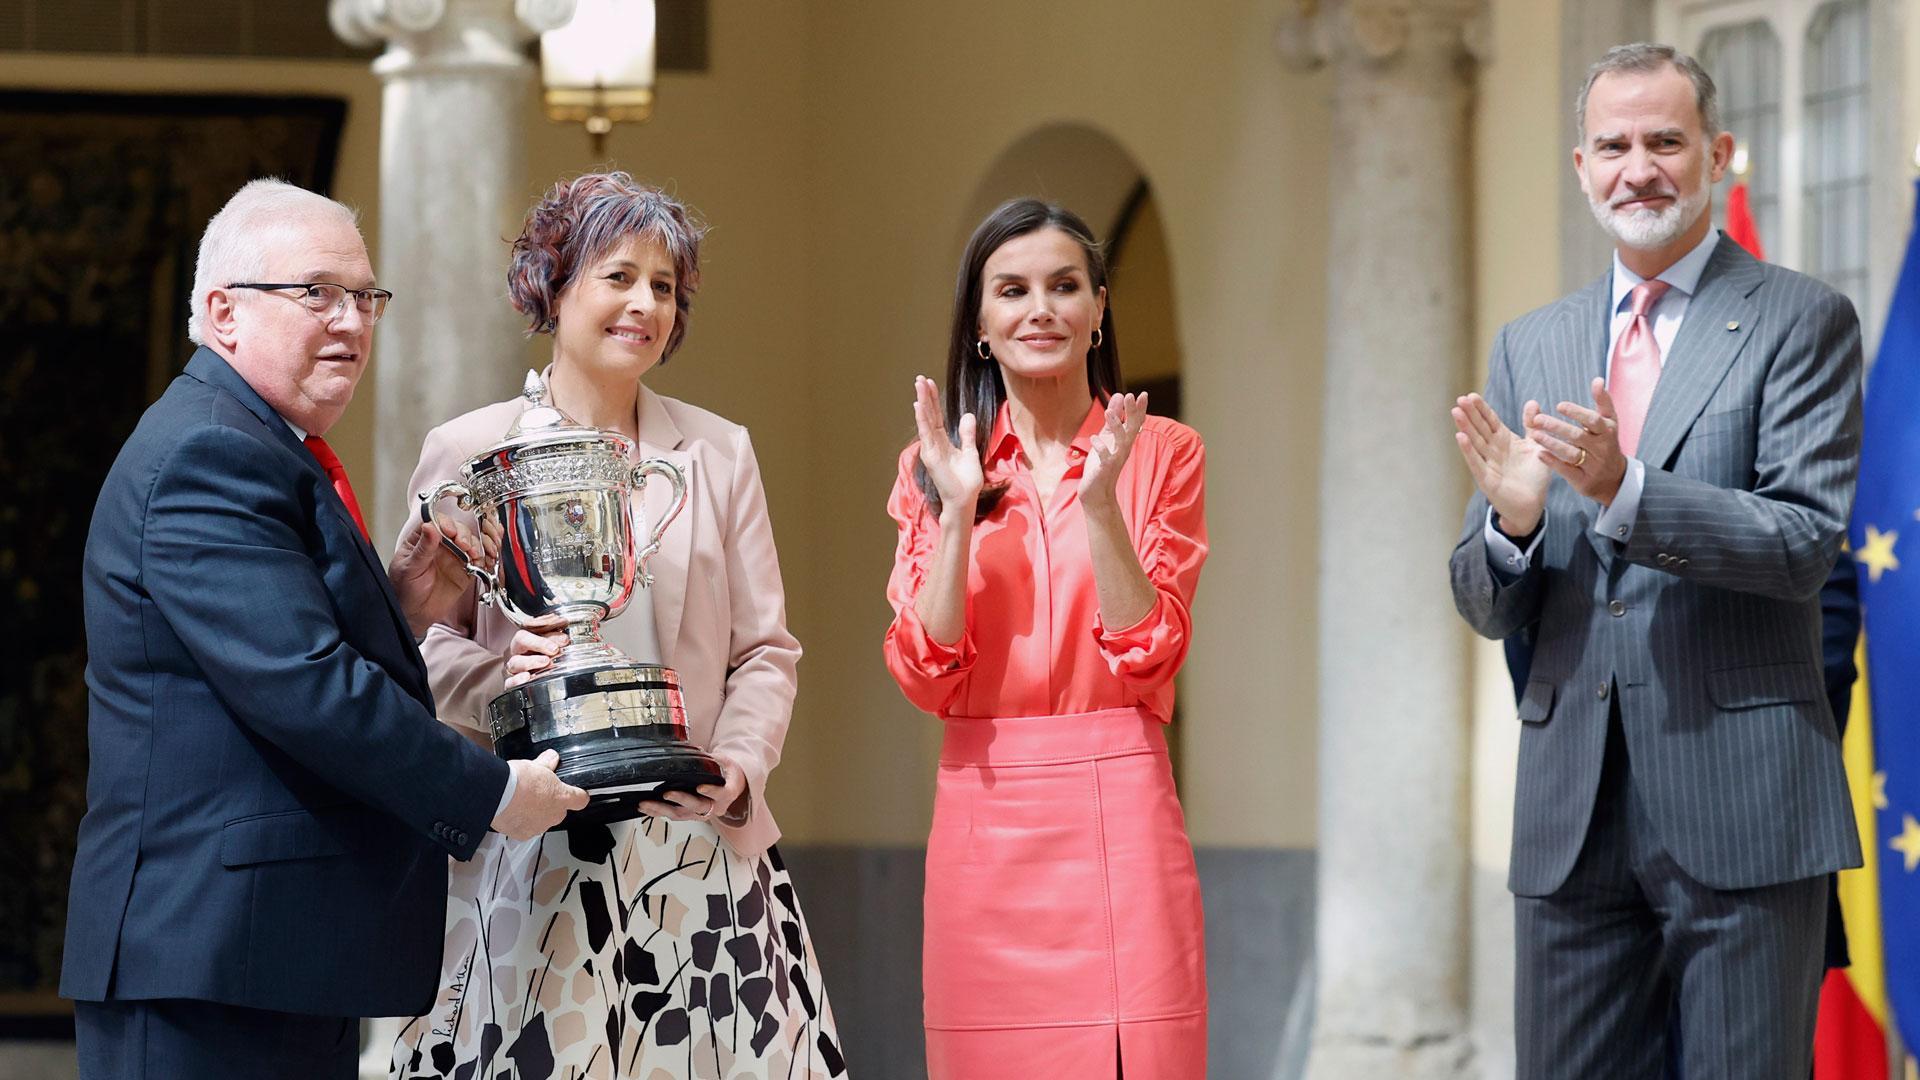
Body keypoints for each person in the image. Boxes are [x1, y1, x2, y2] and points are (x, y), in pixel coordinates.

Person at [61, 179, 588, 1080]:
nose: (351, 321)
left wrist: (402, 606)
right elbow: (307, 687)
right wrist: (493, 794)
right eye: (316, 293)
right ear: (222, 312)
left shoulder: (256, 441)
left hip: (271, 957)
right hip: (208, 964)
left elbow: (285, 652)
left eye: (366, 297)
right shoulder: (209, 453)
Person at [1448, 43, 1864, 1079]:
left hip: (1744, 804)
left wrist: (1625, 492)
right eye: (1615, 145)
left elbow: (1807, 541)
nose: (1640, 167)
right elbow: (1484, 600)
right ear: (1581, 166)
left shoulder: (1800, 318)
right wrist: (1510, 531)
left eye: (1666, 141)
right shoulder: (1530, 344)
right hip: (1569, 816)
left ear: (1717, 153)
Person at [388, 172, 844, 1078]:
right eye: (619, 276)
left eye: (666, 287)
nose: (646, 303)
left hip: (696, 850)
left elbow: (766, 651)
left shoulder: (718, 452)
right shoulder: (467, 449)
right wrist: (502, 683)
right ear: (552, 288)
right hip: (530, 848)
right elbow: (418, 645)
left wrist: (739, 772)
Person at [884, 198, 1208, 1079]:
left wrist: (1099, 503)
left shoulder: (1163, 452)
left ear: (1099, 308)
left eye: (1065, 286)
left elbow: (1152, 651)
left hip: (1123, 819)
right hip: (983, 822)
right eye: (1013, 290)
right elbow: (925, 673)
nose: (1042, 308)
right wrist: (953, 516)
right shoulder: (936, 468)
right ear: (980, 324)